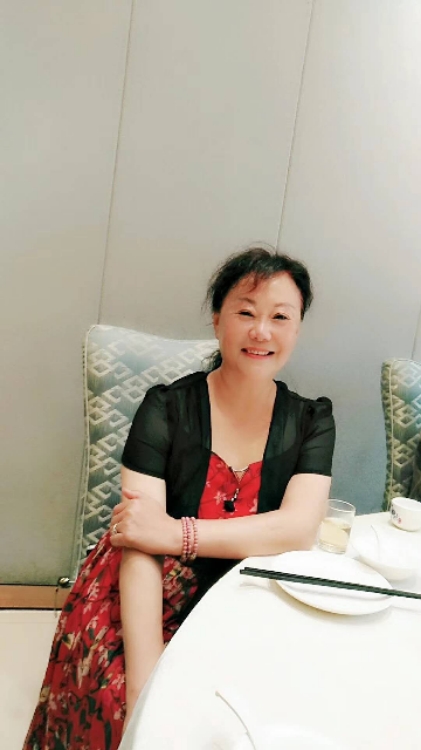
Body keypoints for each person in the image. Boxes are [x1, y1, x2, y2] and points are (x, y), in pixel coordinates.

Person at [23, 247, 335, 750]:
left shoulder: (313, 420)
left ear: (297, 328)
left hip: (250, 596)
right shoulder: (165, 408)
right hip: (146, 588)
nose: (262, 331)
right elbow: (139, 542)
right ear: (218, 321)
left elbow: (297, 529)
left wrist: (175, 532)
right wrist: (147, 686)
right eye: (246, 312)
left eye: (280, 317)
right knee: (124, 707)